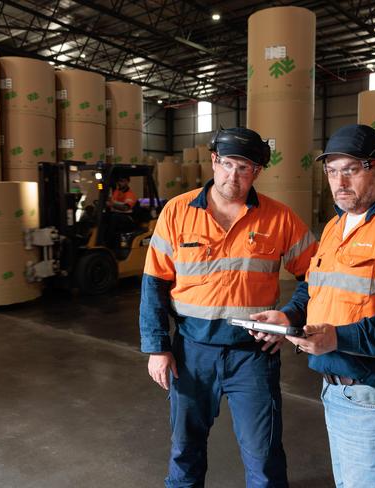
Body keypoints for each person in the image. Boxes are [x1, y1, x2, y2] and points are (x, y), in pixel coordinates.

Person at [250, 124, 375, 487]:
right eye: (331, 171)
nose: (339, 181)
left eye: (352, 170)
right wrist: (289, 315)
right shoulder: (336, 226)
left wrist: (336, 339)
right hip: (337, 388)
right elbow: (315, 285)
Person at [139, 127, 318, 487]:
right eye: (228, 164)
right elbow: (154, 283)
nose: (233, 176)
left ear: (257, 173)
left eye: (245, 168)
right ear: (214, 162)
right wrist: (157, 347)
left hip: (252, 355)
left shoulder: (279, 218)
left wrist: (290, 316)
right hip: (191, 353)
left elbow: (318, 275)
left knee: (263, 454)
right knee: (184, 448)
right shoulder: (177, 212)